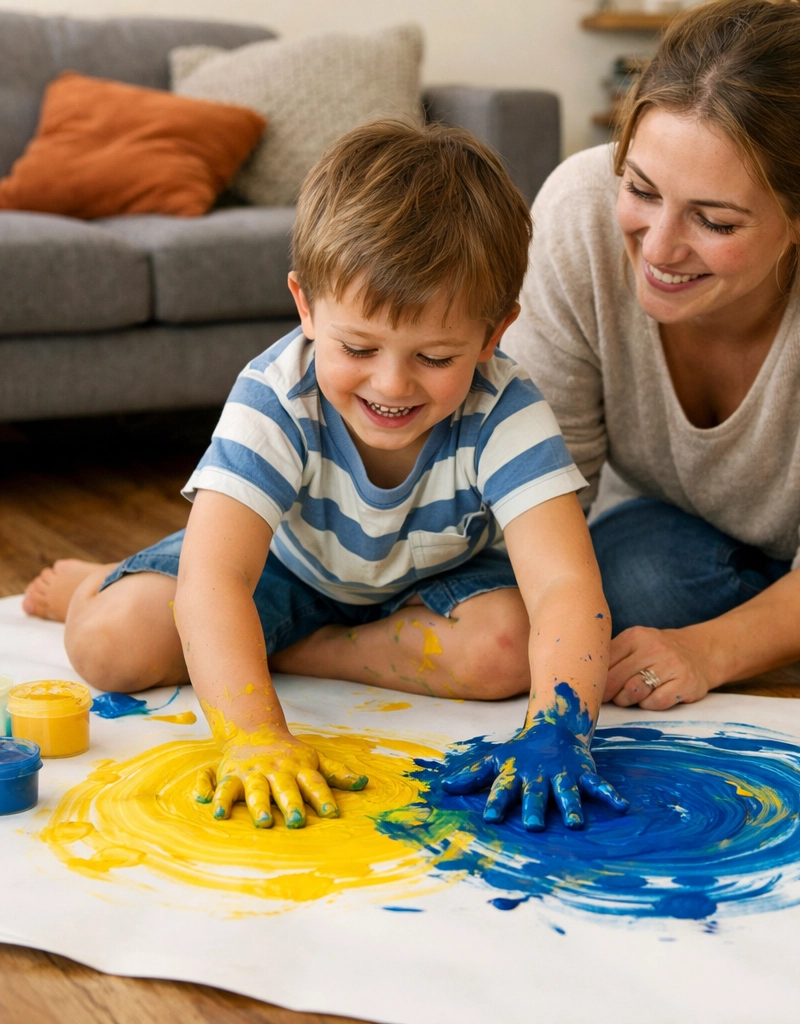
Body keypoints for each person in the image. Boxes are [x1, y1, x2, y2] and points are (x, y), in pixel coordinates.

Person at [22, 120, 627, 832]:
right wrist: (254, 734)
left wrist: (559, 731)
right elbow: (217, 582)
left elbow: (563, 584)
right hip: (281, 571)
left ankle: (273, 643)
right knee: (109, 646)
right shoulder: (276, 396)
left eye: (435, 357)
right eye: (359, 346)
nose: (392, 384)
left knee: (503, 653)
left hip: (424, 589)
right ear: (307, 306)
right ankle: (100, 580)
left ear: (494, 335)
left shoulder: (508, 407)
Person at [501, 0, 800, 712]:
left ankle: (767, 615)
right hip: (681, 522)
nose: (660, 248)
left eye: (715, 220)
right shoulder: (577, 211)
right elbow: (544, 481)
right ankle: (785, 614)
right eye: (640, 189)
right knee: (626, 579)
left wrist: (708, 651)